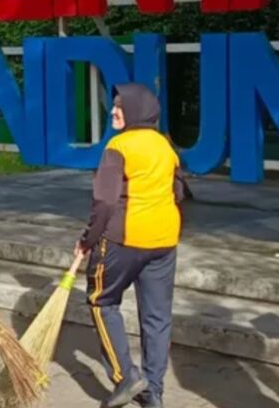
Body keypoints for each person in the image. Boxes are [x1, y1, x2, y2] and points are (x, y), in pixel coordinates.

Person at [75, 83, 187, 408]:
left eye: (119, 106)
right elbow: (179, 191)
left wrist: (87, 240)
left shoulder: (119, 145)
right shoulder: (165, 146)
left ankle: (126, 377)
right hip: (164, 240)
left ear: (136, 110)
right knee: (157, 317)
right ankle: (154, 393)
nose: (113, 111)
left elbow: (105, 202)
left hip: (123, 240)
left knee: (101, 301)